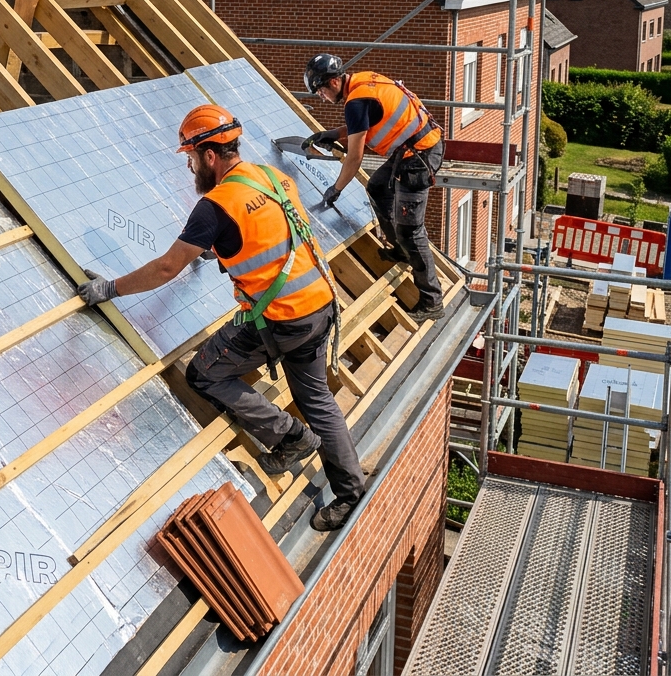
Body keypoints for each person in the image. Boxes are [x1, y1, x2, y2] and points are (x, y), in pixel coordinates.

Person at [77, 104, 366, 532]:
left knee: (204, 373)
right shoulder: (272, 176)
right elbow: (268, 227)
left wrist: (111, 289)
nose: (190, 166)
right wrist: (218, 245)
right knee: (317, 399)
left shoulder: (215, 206)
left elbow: (165, 268)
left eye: (191, 158)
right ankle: (350, 493)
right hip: (320, 302)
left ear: (209, 156)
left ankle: (289, 435)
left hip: (282, 318)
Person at [302, 54, 445, 323]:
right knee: (378, 187)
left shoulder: (356, 102)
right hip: (414, 147)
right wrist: (331, 134)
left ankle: (432, 301)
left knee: (411, 230)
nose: (321, 96)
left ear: (334, 82)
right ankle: (401, 251)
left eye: (321, 90)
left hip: (419, 157)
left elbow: (355, 157)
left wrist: (337, 188)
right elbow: (365, 123)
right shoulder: (364, 81)